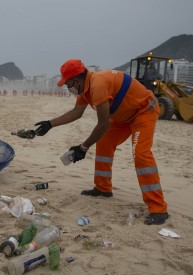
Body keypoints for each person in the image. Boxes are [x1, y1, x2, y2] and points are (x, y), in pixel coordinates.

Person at [34, 59, 168, 225]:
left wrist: (82, 148)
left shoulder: (98, 85)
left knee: (140, 154)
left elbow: (103, 124)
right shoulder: (85, 89)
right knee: (104, 142)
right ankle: (103, 188)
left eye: (68, 84)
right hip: (123, 117)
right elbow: (76, 112)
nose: (69, 88)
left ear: (77, 79)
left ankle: (158, 208)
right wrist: (50, 124)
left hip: (143, 111)